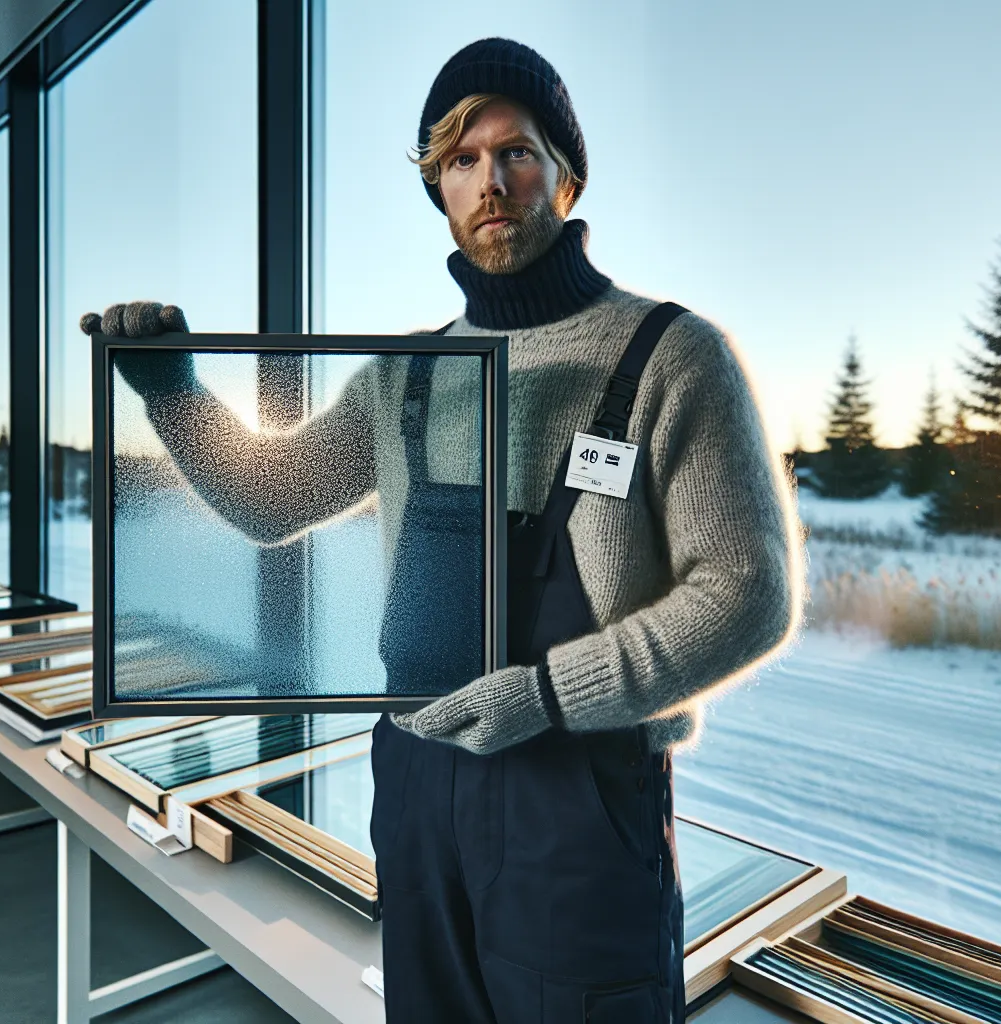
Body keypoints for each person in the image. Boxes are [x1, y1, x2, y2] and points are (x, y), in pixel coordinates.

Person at [85, 37, 799, 1023]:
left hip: (579, 807)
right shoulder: (403, 377)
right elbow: (270, 497)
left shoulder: (672, 357)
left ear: (566, 172)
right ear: (439, 189)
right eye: (460, 162)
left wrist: (548, 694)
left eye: (515, 151)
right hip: (418, 792)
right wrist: (170, 390)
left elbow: (747, 594)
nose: (489, 182)